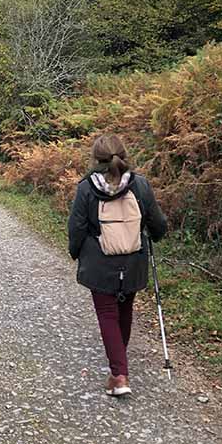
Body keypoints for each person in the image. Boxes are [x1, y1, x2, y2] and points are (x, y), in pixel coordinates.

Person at [68, 133, 167, 396]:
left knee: (108, 315)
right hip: (133, 261)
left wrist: (75, 252)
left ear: (95, 158)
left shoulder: (87, 188)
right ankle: (119, 362)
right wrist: (155, 235)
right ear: (124, 155)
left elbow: (76, 228)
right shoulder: (141, 185)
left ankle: (119, 375)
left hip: (100, 263)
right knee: (124, 310)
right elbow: (158, 224)